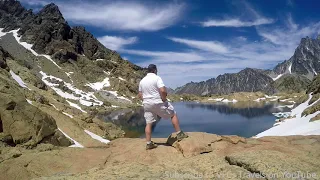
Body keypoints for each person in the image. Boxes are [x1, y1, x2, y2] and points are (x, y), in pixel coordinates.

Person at [138, 64, 188, 150]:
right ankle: (179, 134)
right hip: (158, 102)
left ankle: (149, 143)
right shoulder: (157, 78)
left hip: (147, 103)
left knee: (149, 123)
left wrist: (146, 101)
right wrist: (164, 99)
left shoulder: (142, 81)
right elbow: (163, 90)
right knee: (173, 114)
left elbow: (140, 94)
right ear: (155, 70)